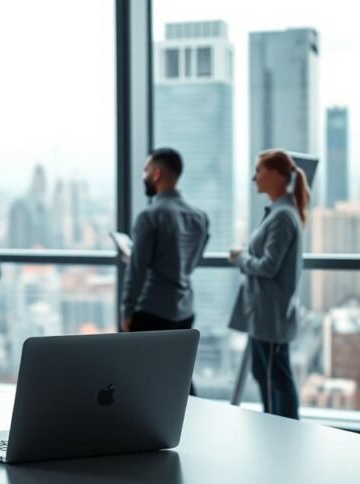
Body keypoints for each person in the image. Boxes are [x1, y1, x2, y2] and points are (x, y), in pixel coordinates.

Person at [228, 149, 309, 420]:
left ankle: (285, 431)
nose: (254, 178)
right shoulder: (279, 212)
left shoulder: (283, 216)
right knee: (266, 374)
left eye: (259, 171)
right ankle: (276, 427)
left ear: (275, 174)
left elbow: (268, 265)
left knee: (277, 376)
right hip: (264, 314)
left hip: (271, 314)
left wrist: (242, 259)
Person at [121, 148, 209, 393]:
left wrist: (127, 310)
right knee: (179, 373)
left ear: (157, 173)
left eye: (146, 170)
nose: (144, 175)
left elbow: (137, 270)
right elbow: (191, 261)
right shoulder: (199, 217)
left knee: (139, 378)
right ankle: (190, 419)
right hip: (184, 309)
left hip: (151, 309)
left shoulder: (150, 216)